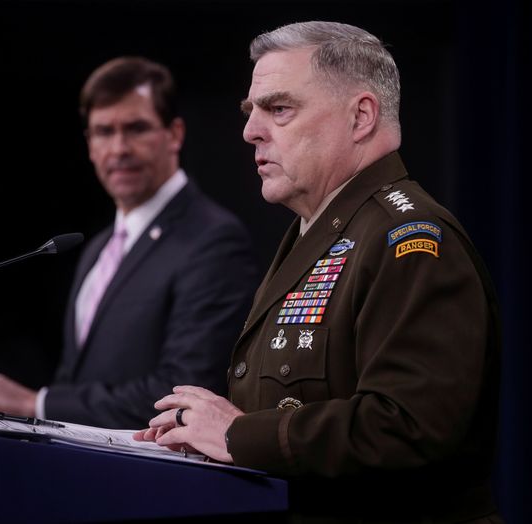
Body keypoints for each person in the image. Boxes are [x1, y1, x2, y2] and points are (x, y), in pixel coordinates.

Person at [135, 22, 502, 523]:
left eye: (279, 108)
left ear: (361, 116)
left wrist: (235, 435)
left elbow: (408, 426)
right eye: (251, 111)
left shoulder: (409, 239)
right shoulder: (325, 229)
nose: (250, 131)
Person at [0, 56, 258, 429]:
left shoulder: (213, 239)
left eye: (136, 128)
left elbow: (185, 391)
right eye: (104, 132)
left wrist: (38, 403)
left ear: (175, 134)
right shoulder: (97, 249)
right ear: (89, 144)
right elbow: (77, 382)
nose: (119, 149)